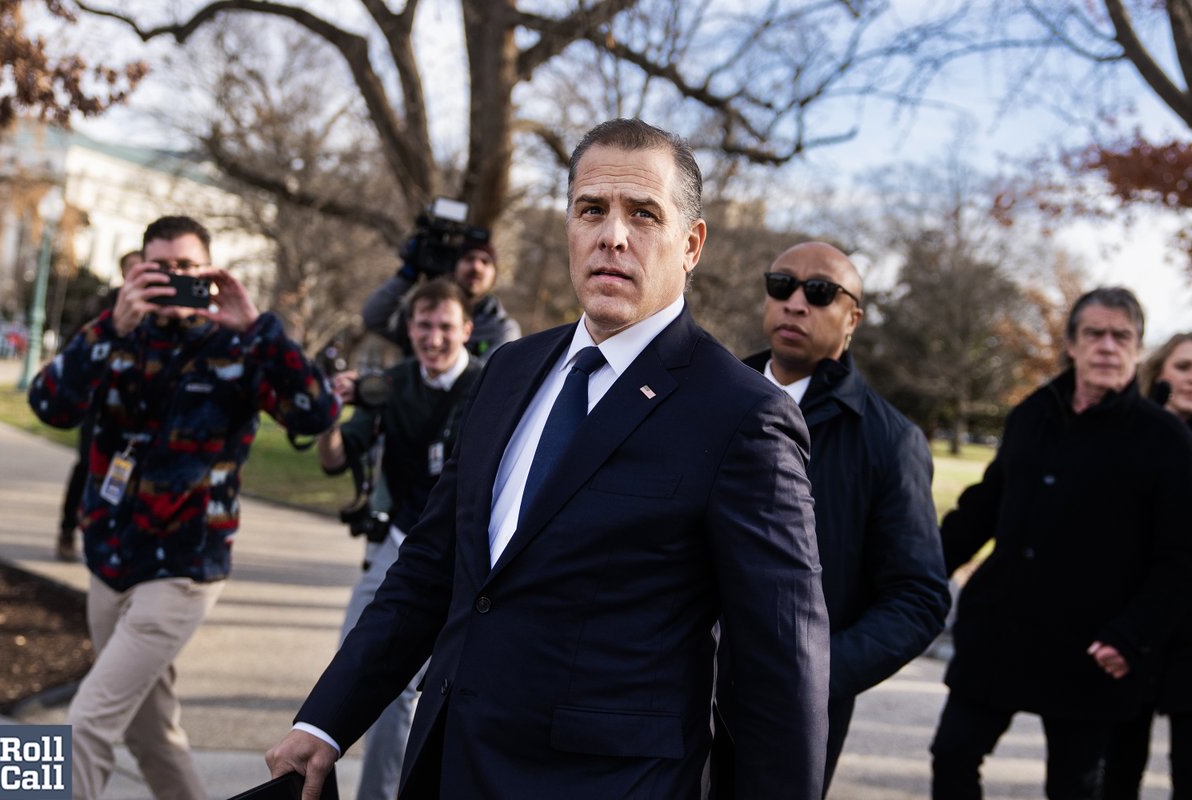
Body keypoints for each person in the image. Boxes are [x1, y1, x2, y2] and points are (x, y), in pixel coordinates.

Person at [266, 118, 829, 800]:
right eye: (591, 209)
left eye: (643, 214)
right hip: (449, 765)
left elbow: (781, 669)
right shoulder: (507, 370)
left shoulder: (744, 416)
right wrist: (326, 721)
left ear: (691, 244)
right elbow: (431, 566)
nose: (612, 236)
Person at [28, 215, 340, 800]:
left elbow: (317, 412)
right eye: (159, 267)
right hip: (109, 561)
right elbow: (48, 404)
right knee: (152, 735)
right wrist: (106, 328)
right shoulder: (114, 335)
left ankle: (13, 791)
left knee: (85, 722)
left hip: (183, 569)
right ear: (136, 269)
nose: (172, 279)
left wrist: (258, 325)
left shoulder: (242, 346)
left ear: (211, 272)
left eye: (186, 268)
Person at [931, 288, 1192, 799]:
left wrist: (1132, 636)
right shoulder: (1032, 415)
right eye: (1095, 333)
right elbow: (984, 508)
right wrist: (918, 571)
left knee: (1074, 788)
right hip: (1001, 630)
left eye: (1123, 336)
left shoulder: (1164, 439)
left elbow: (1181, 557)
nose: (1108, 346)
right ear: (1071, 344)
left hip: (1092, 650)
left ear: (1138, 351)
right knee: (953, 755)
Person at [718, 241, 951, 794]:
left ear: (853, 319)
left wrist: (814, 674)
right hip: (668, 693)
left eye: (819, 292)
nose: (796, 302)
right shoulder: (710, 394)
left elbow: (919, 598)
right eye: (782, 286)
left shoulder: (891, 441)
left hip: (787, 723)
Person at [320, 278, 482, 800]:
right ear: (409, 328)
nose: (433, 338)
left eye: (444, 327)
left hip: (467, 558)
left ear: (467, 330)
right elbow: (336, 457)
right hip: (399, 546)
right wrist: (327, 416)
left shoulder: (493, 385)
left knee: (448, 695)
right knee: (358, 670)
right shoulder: (390, 384)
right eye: (423, 326)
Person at [1103, 331, 1192, 799]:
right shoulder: (1131, 433)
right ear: (1160, 371)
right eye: (1184, 367)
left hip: (1188, 636)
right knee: (1116, 769)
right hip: (1132, 629)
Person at [55, 249, 144, 563]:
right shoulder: (101, 306)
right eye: (132, 269)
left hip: (138, 409)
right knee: (87, 464)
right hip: (100, 402)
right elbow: (73, 352)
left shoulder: (158, 311)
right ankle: (69, 529)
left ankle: (117, 538)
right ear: (123, 274)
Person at [362, 238, 521, 358]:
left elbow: (492, 377)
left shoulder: (502, 329)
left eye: (485, 262)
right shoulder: (422, 312)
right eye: (468, 259)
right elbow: (374, 318)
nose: (476, 267)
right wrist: (406, 276)